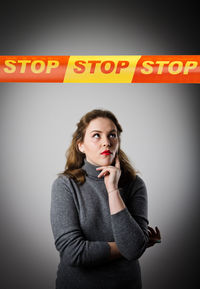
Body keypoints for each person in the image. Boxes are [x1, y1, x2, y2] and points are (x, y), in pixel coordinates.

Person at [50, 109, 161, 289]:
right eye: (96, 136)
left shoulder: (134, 184)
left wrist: (113, 190)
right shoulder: (65, 185)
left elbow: (133, 249)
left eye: (112, 135)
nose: (106, 142)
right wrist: (133, 244)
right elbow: (74, 253)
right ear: (81, 145)